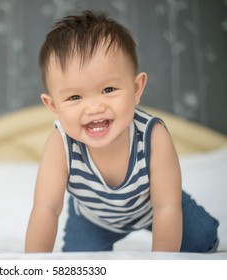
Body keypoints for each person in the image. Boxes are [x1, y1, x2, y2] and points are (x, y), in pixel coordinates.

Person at [25, 10, 219, 253]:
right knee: (79, 264)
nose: (95, 107)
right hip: (94, 219)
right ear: (53, 105)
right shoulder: (60, 144)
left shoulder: (153, 135)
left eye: (108, 89)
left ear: (136, 88)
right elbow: (46, 208)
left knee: (202, 238)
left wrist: (163, 266)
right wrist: (32, 267)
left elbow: (166, 207)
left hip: (154, 209)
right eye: (75, 96)